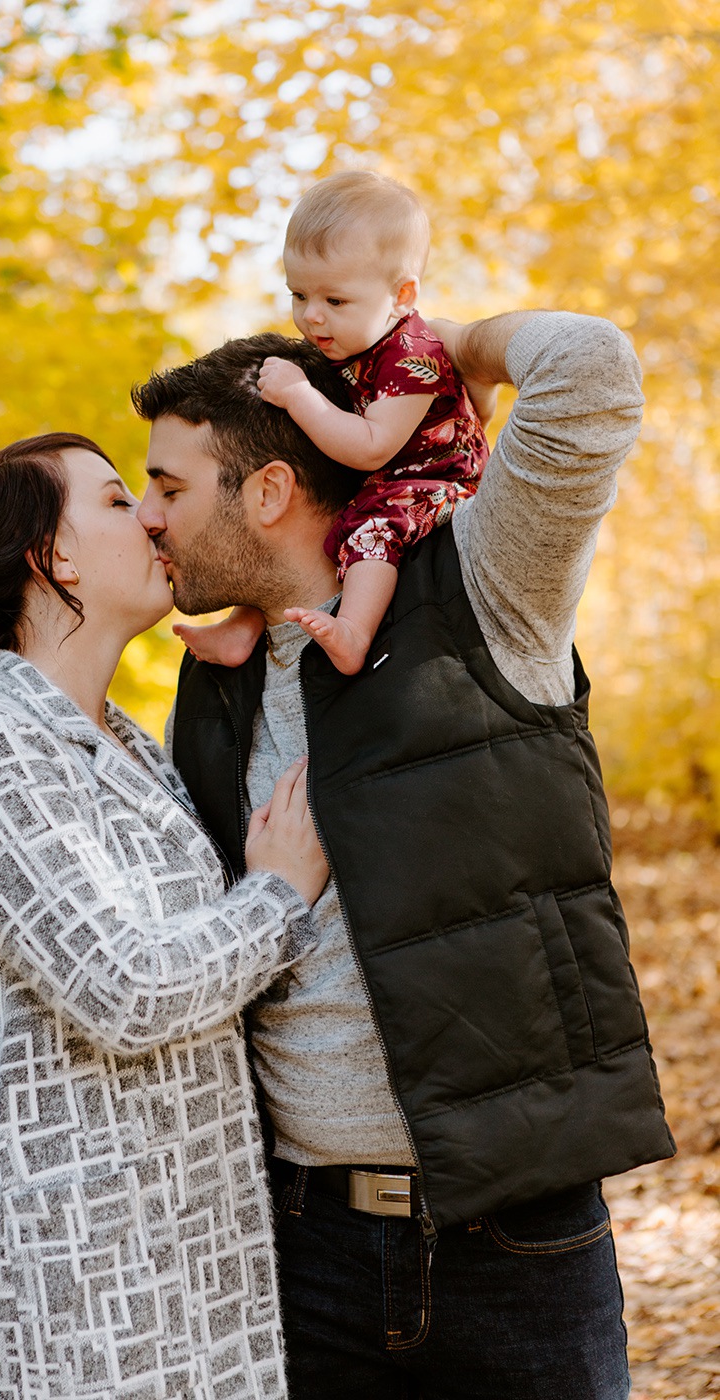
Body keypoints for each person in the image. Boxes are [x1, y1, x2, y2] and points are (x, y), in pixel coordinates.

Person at [133, 311, 676, 1398]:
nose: (148, 518)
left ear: (270, 491)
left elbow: (593, 372)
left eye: (169, 487)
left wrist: (415, 352)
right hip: (293, 1250)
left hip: (513, 1242)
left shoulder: (480, 583)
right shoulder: (216, 673)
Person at [0, 431, 330, 1400]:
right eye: (110, 498)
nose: (147, 513)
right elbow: (127, 986)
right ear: (51, 560)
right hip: (55, 1287)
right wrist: (276, 893)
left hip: (172, 1259)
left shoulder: (126, 743)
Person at [174, 171, 489, 675]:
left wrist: (300, 395)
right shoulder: (350, 340)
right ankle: (244, 626)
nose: (312, 317)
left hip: (436, 479)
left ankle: (354, 633)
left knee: (371, 528)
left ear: (402, 295)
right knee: (295, 525)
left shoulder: (412, 355)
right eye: (299, 296)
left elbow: (371, 447)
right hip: (384, 476)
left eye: (334, 301)